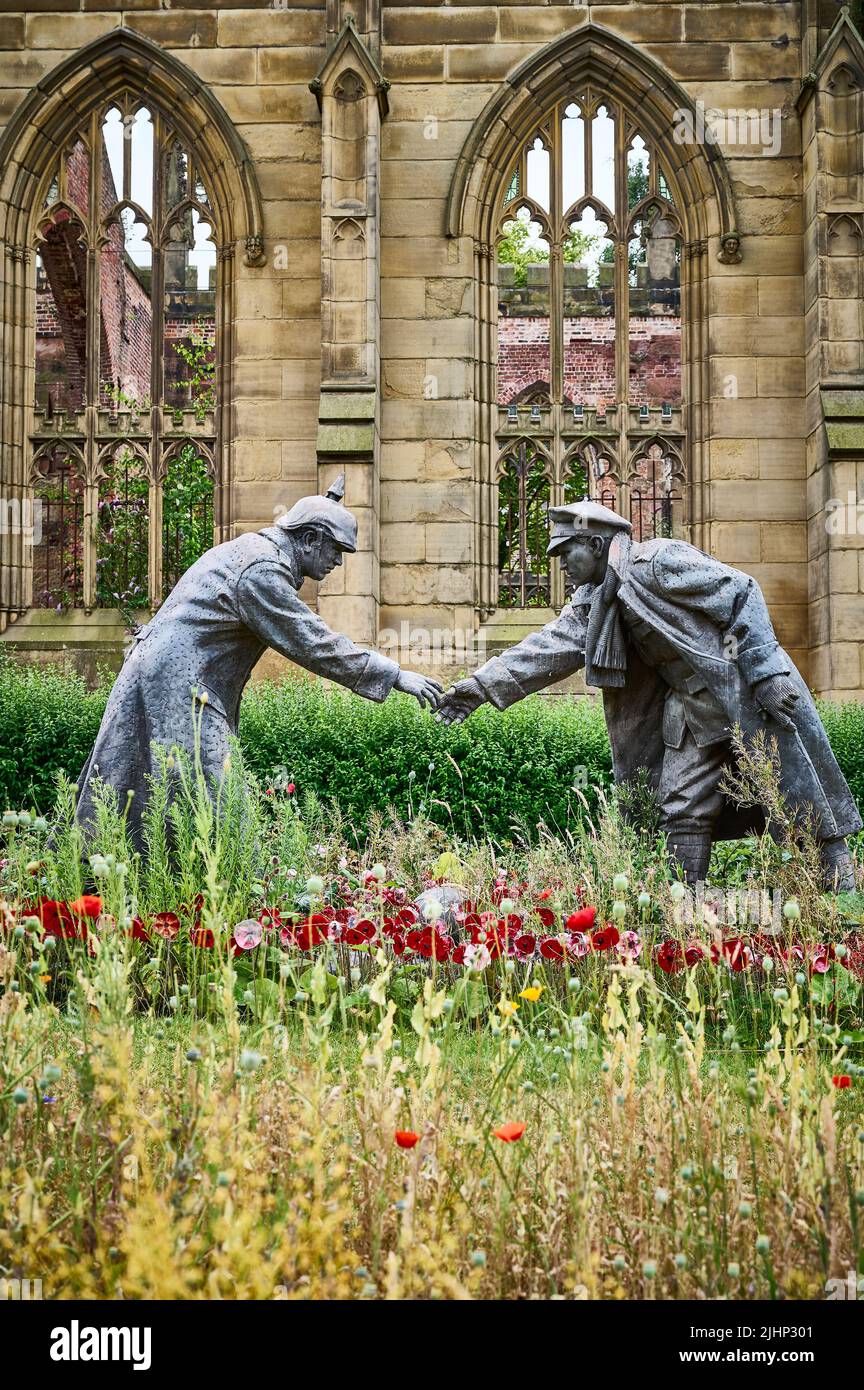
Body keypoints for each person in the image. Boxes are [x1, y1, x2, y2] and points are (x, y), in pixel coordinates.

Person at [436, 500, 860, 889]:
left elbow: (741, 590)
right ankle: (687, 900)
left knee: (796, 793)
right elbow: (544, 648)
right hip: (690, 708)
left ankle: (839, 890)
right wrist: (478, 687)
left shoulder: (657, 561)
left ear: (597, 543)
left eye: (567, 552)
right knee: (679, 803)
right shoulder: (593, 600)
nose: (562, 564)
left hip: (744, 696)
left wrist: (766, 673)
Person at [76, 475, 441, 846]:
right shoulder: (261, 570)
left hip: (169, 681)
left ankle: (134, 885)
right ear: (311, 538)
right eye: (336, 550)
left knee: (142, 791)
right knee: (214, 801)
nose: (337, 563)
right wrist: (395, 675)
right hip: (178, 689)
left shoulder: (254, 552)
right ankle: (228, 892)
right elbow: (312, 642)